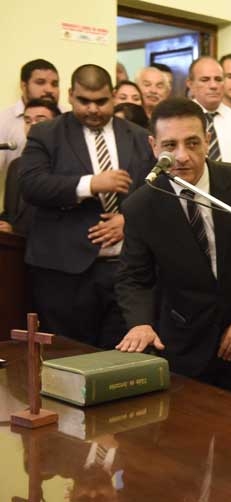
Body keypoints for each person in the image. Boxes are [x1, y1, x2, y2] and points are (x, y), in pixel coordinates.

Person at [115, 98, 231, 398]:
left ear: (207, 140)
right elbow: (134, 277)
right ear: (153, 146)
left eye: (192, 143)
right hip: (182, 343)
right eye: (170, 145)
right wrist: (140, 323)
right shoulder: (141, 205)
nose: (182, 156)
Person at [18, 64, 154, 349]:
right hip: (64, 272)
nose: (93, 109)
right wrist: (90, 184)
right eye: (84, 101)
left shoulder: (139, 136)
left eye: (101, 101)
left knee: (119, 361)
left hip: (125, 271)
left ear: (114, 96)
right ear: (70, 95)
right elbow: (31, 185)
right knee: (67, 359)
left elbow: (156, 190)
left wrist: (129, 220)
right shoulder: (46, 133)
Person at [0, 59, 60, 205]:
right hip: (19, 205)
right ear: (24, 85)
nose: (49, 89)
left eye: (54, 84)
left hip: (59, 202)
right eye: (40, 82)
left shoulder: (68, 117)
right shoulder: (3, 120)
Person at [0, 98, 61, 236]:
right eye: (27, 121)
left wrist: (15, 230)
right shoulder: (16, 165)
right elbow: (10, 214)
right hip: (14, 246)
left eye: (40, 120)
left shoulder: (64, 165)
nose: (32, 126)